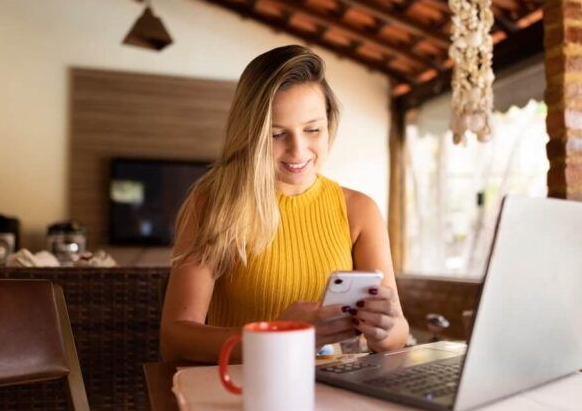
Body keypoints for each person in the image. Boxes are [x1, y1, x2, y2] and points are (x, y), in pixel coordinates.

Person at [160, 45, 409, 363]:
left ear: (329, 123)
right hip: (240, 392)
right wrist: (279, 336)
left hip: (330, 393)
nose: (298, 150)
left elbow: (397, 330)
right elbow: (175, 338)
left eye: (313, 129)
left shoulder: (359, 210)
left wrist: (384, 331)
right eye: (277, 134)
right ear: (249, 134)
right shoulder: (213, 203)